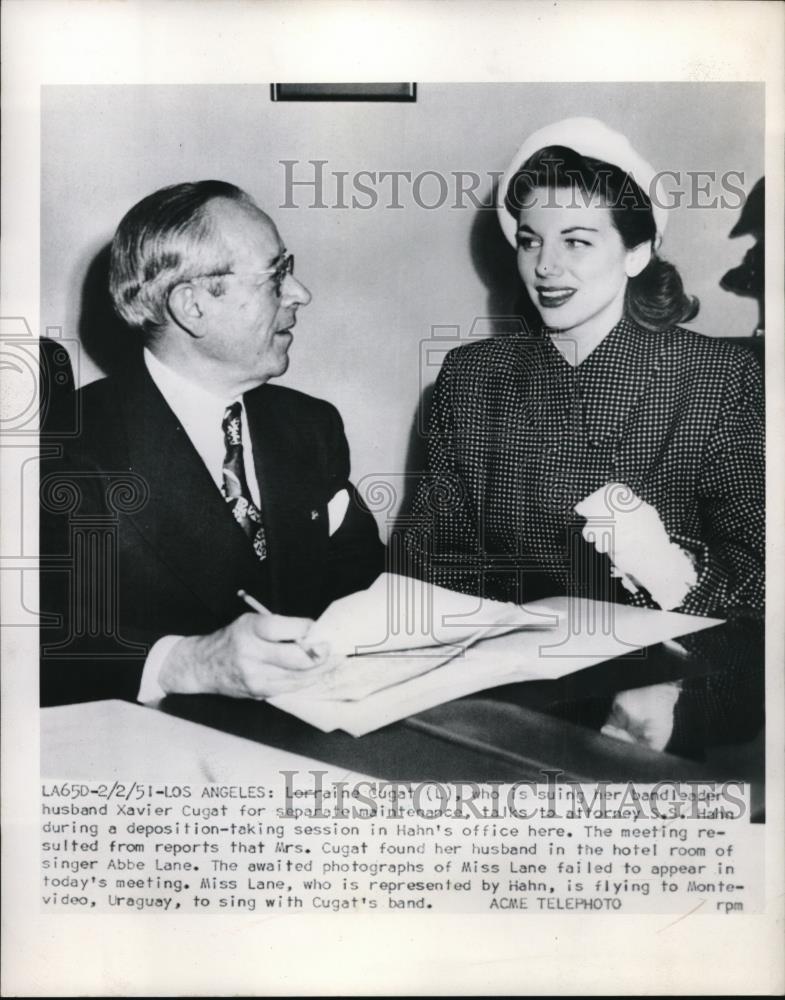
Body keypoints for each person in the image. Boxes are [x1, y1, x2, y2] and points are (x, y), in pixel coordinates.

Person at [403, 118, 764, 749]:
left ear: (637, 252)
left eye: (576, 241)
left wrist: (660, 561)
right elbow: (431, 560)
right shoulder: (470, 378)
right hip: (492, 700)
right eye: (528, 240)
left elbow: (760, 578)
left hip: (659, 700)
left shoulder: (718, 378)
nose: (545, 266)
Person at [40, 181, 384, 707]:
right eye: (277, 275)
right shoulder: (68, 448)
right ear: (192, 306)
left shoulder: (310, 426)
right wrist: (189, 663)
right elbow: (37, 649)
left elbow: (361, 584)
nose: (300, 294)